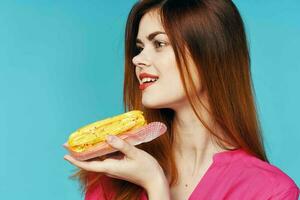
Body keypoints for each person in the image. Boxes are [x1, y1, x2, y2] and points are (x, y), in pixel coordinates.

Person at [64, 0, 300, 199]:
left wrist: (155, 184)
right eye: (139, 47)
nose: (138, 60)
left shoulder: (270, 192)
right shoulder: (115, 175)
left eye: (159, 44)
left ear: (210, 55)